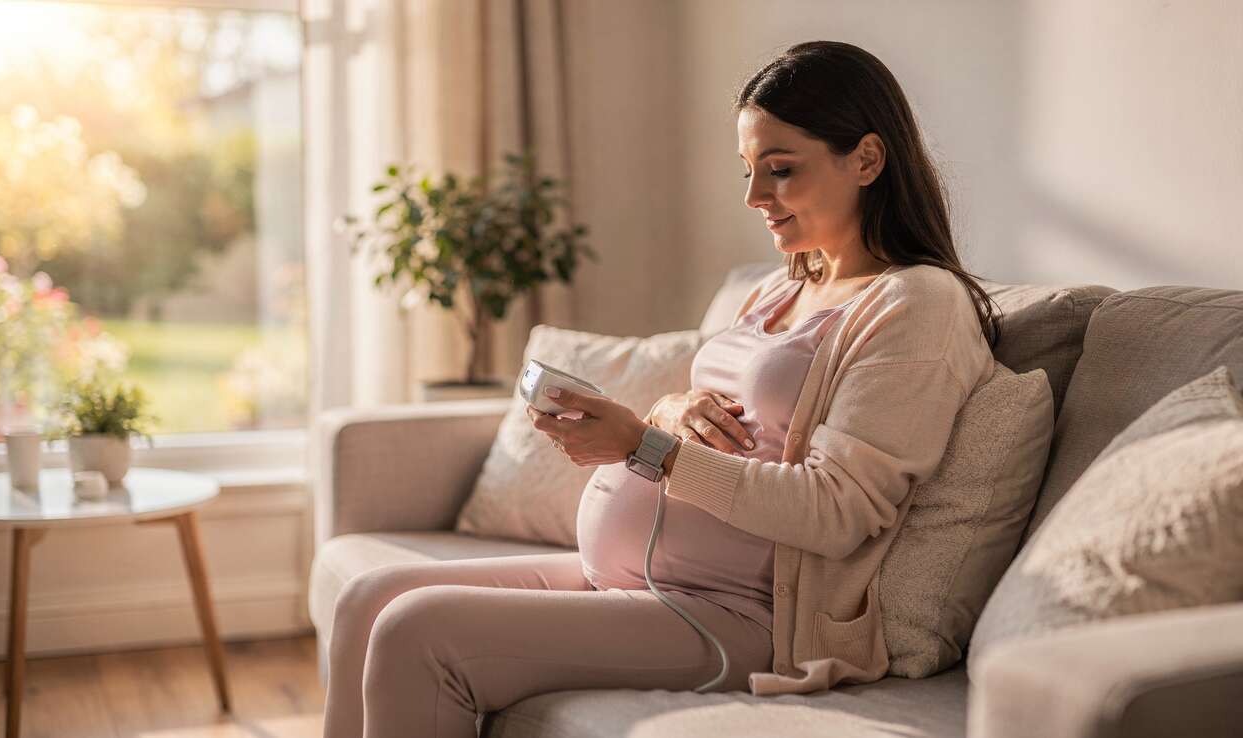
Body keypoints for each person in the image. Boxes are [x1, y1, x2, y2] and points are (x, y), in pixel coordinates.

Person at [321, 40, 1001, 738]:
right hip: (638, 579)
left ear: (866, 159)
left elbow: (838, 511)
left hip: (745, 615)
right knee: (369, 597)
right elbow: (715, 424)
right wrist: (666, 413)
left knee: (417, 629)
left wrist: (647, 448)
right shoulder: (778, 288)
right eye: (748, 170)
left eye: (781, 170)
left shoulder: (917, 305)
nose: (754, 197)